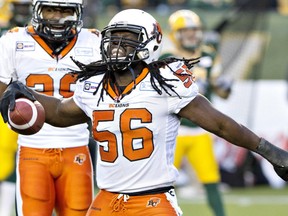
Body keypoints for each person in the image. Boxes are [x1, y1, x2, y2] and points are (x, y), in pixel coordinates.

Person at [1, 8, 288, 216]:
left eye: (128, 39)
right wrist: (24, 91)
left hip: (151, 202)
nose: (117, 46)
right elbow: (62, 113)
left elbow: (222, 125)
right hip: (105, 200)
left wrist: (269, 150)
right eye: (113, 38)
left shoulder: (165, 81)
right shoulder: (93, 85)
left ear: (149, 44)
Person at [0, 0, 101, 215]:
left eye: (65, 11)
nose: (57, 17)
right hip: (32, 148)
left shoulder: (93, 42)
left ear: (77, 13)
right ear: (38, 10)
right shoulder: (14, 40)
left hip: (77, 147)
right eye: (50, 9)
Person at [161, 9, 232, 216]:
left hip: (200, 129)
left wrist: (223, 87)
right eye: (185, 31)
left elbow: (220, 89)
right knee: (159, 181)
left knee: (211, 180)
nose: (192, 35)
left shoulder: (209, 55)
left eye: (194, 30)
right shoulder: (167, 58)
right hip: (173, 129)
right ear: (175, 34)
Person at [0, 1, 31, 215]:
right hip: (5, 96)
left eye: (26, 6)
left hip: (29, 100)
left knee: (17, 156)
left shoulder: (38, 36)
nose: (22, 11)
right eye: (19, 6)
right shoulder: (5, 34)